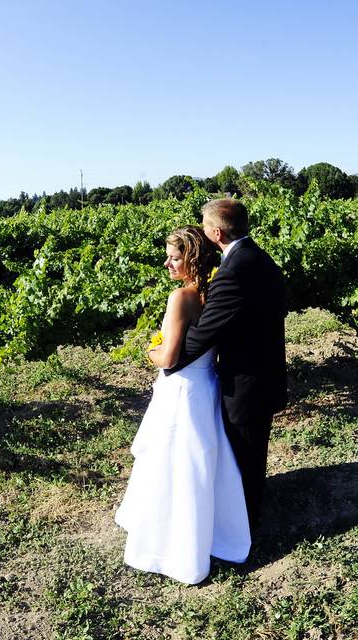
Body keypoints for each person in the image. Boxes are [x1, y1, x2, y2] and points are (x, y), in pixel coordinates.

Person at [115, 225, 251, 585]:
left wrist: (151, 350)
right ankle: (210, 533)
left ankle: (171, 543)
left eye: (174, 257)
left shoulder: (182, 297)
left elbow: (170, 357)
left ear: (191, 258)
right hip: (207, 385)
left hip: (182, 390)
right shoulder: (217, 289)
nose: (167, 264)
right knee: (201, 462)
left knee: (172, 464)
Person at [168, 198, 287, 534]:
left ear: (216, 232)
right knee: (251, 455)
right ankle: (245, 518)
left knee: (244, 461)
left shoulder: (233, 271)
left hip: (247, 381)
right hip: (265, 371)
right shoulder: (260, 258)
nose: (204, 233)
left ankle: (243, 533)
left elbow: (205, 333)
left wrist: (168, 360)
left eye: (205, 227)